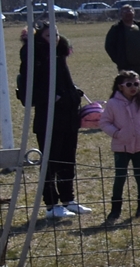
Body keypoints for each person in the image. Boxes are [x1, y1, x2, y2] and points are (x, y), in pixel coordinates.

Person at [15, 25, 87, 219]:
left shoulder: (59, 55)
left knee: (68, 159)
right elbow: (31, 88)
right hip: (48, 117)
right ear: (40, 37)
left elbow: (64, 82)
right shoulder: (34, 58)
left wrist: (73, 93)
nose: (54, 38)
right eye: (49, 35)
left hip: (68, 116)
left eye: (56, 34)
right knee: (50, 161)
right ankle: (51, 204)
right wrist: (54, 98)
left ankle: (68, 199)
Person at [99, 70, 140, 221]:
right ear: (120, 87)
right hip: (121, 147)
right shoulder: (113, 103)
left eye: (136, 84)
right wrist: (117, 133)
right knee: (120, 177)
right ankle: (115, 209)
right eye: (129, 84)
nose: (133, 87)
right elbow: (104, 122)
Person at [104, 4, 140, 85]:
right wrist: (119, 60)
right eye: (125, 11)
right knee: (129, 88)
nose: (128, 13)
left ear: (134, 13)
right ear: (121, 14)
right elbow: (109, 46)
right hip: (127, 67)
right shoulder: (116, 29)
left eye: (130, 10)